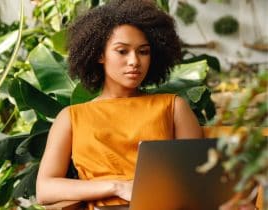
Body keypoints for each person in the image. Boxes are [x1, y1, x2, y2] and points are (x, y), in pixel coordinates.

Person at [36, 0, 256, 209]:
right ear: (99, 54)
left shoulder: (172, 107)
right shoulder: (72, 117)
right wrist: (117, 186)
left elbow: (196, 182)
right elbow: (45, 188)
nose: (134, 61)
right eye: (122, 51)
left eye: (143, 51)